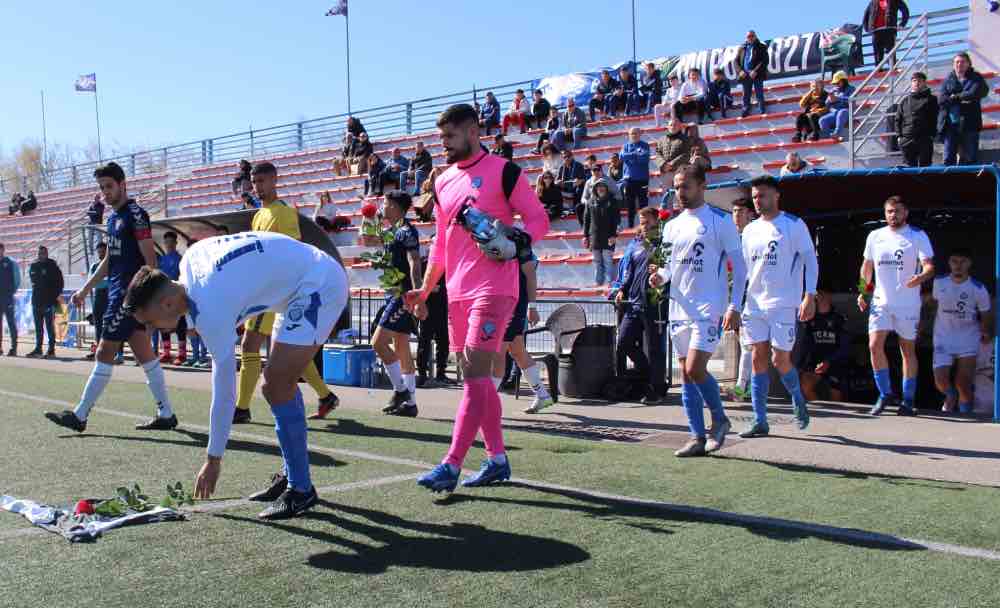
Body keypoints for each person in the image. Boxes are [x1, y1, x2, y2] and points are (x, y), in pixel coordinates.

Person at [125, 232, 348, 519]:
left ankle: (301, 490)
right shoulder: (191, 260)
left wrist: (213, 459)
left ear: (167, 304)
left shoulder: (209, 309)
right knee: (277, 383)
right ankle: (294, 475)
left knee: (275, 384)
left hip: (317, 284)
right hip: (300, 280)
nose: (152, 330)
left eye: (150, 322)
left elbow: (225, 390)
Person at [404, 103, 549, 492]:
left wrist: (520, 240)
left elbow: (538, 218)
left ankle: (451, 465)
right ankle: (497, 459)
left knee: (472, 377)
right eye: (441, 138)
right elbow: (440, 246)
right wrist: (426, 288)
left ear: (472, 131)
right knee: (478, 379)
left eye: (450, 137)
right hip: (457, 293)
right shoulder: (443, 181)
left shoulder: (504, 171)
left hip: (495, 289)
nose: (444, 145)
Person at [44, 162, 177, 433]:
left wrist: (146, 299)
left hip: (129, 296)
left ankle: (80, 415)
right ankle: (167, 413)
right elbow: (108, 260)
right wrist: (85, 289)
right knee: (145, 355)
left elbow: (150, 259)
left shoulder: (136, 214)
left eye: (109, 186)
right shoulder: (114, 218)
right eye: (101, 187)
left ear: (122, 184)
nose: (105, 192)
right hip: (118, 292)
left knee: (105, 351)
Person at [232, 161, 341, 424]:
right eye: (254, 182)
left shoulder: (284, 213)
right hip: (263, 290)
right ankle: (326, 396)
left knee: (251, 345)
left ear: (274, 181)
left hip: (275, 292)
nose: (257, 187)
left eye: (262, 182)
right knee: (286, 351)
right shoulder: (259, 214)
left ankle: (242, 408)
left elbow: (294, 251)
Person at [650, 165, 747, 457]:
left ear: (702, 186)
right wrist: (659, 277)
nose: (680, 192)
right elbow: (666, 266)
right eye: (677, 187)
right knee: (687, 375)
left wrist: (734, 305)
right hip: (678, 307)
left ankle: (719, 418)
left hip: (708, 306)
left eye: (685, 186)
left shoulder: (720, 221)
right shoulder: (671, 225)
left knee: (695, 368)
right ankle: (695, 436)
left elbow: (740, 268)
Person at [738, 175, 819, 437]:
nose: (758, 201)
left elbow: (811, 261)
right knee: (757, 357)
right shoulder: (749, 230)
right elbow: (744, 270)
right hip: (754, 304)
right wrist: (735, 303)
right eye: (754, 197)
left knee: (779, 359)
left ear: (776, 196)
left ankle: (797, 398)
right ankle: (760, 420)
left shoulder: (794, 225)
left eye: (762, 195)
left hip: (784, 303)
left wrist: (810, 295)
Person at [858, 195, 935, 416]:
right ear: (885, 213)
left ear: (906, 213)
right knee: (874, 345)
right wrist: (864, 291)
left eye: (898, 211)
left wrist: (920, 277)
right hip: (881, 302)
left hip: (907, 304)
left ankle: (908, 400)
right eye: (890, 211)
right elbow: (866, 266)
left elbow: (929, 266)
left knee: (907, 350)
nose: (893, 215)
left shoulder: (917, 236)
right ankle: (885, 394)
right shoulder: (875, 236)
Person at [362, 191, 423, 417]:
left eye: (386, 203)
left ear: (396, 207)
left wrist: (417, 295)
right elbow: (368, 240)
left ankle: (401, 391)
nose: (383, 206)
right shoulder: (392, 231)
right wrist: (368, 217)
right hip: (394, 293)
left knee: (377, 342)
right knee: (401, 347)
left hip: (402, 294)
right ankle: (410, 403)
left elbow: (414, 261)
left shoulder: (407, 232)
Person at [927, 249, 992, 414]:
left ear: (969, 264)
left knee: (963, 383)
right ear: (949, 263)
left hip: (968, 338)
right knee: (940, 381)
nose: (958, 266)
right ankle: (950, 396)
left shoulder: (978, 288)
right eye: (954, 261)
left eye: (962, 262)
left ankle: (966, 416)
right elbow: (933, 304)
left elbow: (986, 312)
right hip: (943, 337)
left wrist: (985, 330)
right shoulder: (939, 282)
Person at [492, 243, 555, 414]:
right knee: (518, 351)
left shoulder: (517, 244)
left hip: (512, 306)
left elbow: (531, 275)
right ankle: (542, 395)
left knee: (499, 351)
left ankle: (486, 401)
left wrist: (531, 307)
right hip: (506, 305)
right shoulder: (501, 243)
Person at [617, 207, 669, 404]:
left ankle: (656, 389)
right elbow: (629, 272)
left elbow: (669, 270)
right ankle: (652, 377)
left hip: (654, 304)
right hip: (633, 303)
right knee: (624, 342)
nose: (644, 226)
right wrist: (622, 289)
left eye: (647, 222)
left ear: (656, 221)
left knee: (655, 348)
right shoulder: (637, 244)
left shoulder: (664, 244)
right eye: (642, 222)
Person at [795, 287, 853, 402]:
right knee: (805, 387)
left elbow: (845, 347)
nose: (820, 297)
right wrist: (801, 365)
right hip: (815, 363)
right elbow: (806, 345)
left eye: (823, 295)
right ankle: (822, 412)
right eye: (818, 295)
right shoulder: (810, 319)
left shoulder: (839, 319)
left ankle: (837, 417)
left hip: (835, 363)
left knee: (835, 395)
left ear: (829, 297)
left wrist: (829, 361)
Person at [938, 52, 990, 166]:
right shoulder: (948, 80)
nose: (959, 64)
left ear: (968, 64)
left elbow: (974, 92)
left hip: (970, 123)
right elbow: (941, 100)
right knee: (948, 159)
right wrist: (963, 97)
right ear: (953, 65)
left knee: (970, 158)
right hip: (950, 125)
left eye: (962, 62)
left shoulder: (976, 77)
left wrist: (954, 97)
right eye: (957, 62)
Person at [729, 197, 755, 401]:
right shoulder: (732, 237)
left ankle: (743, 386)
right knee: (745, 342)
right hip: (737, 296)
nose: (736, 215)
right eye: (734, 211)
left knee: (748, 344)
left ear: (751, 214)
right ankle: (744, 385)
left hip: (755, 295)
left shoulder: (754, 235)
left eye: (740, 211)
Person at [416, 267, 451, 388]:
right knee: (424, 341)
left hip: (443, 308)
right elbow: (418, 281)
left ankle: (441, 373)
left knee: (443, 342)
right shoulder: (426, 263)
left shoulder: (448, 265)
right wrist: (430, 288)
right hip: (428, 308)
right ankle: (422, 374)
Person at [895, 72, 939, 167]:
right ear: (911, 83)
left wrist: (932, 135)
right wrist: (899, 137)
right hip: (907, 139)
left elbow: (935, 118)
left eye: (920, 81)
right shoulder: (904, 101)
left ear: (924, 83)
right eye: (914, 81)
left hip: (925, 138)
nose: (917, 83)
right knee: (909, 169)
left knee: (925, 167)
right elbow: (898, 119)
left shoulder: (932, 99)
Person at [26, 246, 63, 359]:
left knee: (49, 327)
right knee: (38, 328)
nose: (41, 255)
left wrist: (53, 299)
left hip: (49, 302)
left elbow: (60, 283)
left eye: (43, 253)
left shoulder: (52, 266)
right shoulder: (34, 266)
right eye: (39, 253)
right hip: (36, 301)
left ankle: (51, 349)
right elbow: (33, 282)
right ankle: (38, 349)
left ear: (47, 254)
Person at [155, 232, 186, 365]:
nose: (169, 245)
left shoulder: (181, 259)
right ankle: (166, 353)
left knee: (180, 325)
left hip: (177, 295)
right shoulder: (162, 259)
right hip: (163, 296)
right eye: (166, 242)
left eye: (171, 242)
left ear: (176, 243)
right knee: (163, 323)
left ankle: (182, 354)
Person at [583, 179, 619, 286]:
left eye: (603, 186)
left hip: (609, 236)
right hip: (594, 236)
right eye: (598, 186)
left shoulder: (612, 201)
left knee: (608, 261)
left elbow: (616, 219)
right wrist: (585, 236)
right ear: (595, 189)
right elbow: (586, 220)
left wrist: (614, 235)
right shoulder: (590, 202)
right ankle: (598, 283)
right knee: (597, 262)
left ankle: (609, 283)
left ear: (606, 188)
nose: (601, 188)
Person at [863, 0, 910, 67]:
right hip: (876, 31)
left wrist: (902, 24)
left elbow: (905, 11)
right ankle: (879, 71)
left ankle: (893, 68)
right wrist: (867, 28)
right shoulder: (873, 2)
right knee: (878, 54)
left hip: (889, 29)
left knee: (891, 51)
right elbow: (866, 14)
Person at [620, 127, 651, 228]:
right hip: (629, 180)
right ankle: (631, 226)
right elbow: (621, 157)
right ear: (629, 135)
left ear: (640, 134)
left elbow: (644, 159)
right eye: (632, 133)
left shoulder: (645, 145)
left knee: (643, 205)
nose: (634, 135)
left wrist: (629, 157)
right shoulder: (625, 146)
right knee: (630, 205)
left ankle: (646, 225)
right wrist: (636, 154)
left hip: (642, 179)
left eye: (636, 133)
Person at [85, 242, 109, 361]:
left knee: (110, 324)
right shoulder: (94, 266)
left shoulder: (111, 264)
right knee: (97, 324)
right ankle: (99, 350)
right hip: (98, 295)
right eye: (99, 251)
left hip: (109, 294)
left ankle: (114, 352)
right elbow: (91, 281)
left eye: (103, 251)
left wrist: (101, 281)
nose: (101, 253)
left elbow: (108, 281)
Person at [736, 30, 770, 117]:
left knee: (759, 93)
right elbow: (735, 61)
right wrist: (740, 71)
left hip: (757, 74)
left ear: (755, 36)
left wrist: (755, 71)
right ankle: (745, 110)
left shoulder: (761, 46)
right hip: (745, 75)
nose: (750, 38)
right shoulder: (742, 48)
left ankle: (762, 110)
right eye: (748, 36)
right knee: (746, 94)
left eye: (752, 36)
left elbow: (765, 60)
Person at [819, 71, 855, 139]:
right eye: (835, 83)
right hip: (835, 112)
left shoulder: (851, 89)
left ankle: (837, 133)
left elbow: (851, 100)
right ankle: (832, 135)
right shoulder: (834, 90)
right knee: (822, 120)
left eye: (838, 83)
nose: (836, 85)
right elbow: (826, 103)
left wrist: (838, 98)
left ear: (844, 81)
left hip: (846, 111)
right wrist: (830, 100)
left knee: (842, 112)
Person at [655, 119, 691, 188]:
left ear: (679, 127)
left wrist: (672, 164)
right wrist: (663, 164)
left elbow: (687, 154)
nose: (673, 127)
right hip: (665, 171)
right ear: (668, 127)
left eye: (675, 125)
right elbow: (658, 153)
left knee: (680, 193)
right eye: (671, 125)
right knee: (667, 194)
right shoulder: (661, 139)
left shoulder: (685, 139)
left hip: (680, 170)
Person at [0, 243, 22, 357]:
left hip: (7, 298)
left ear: (3, 250)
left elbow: (17, 279)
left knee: (11, 323)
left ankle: (14, 348)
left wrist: (11, 292)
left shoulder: (11, 262)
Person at [556, 148, 587, 221]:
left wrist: (578, 181)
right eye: (564, 157)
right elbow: (556, 180)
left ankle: (576, 208)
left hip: (576, 186)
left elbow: (583, 179)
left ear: (572, 156)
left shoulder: (578, 165)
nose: (566, 158)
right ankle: (562, 209)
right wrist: (558, 182)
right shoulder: (562, 167)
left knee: (579, 188)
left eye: (568, 156)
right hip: (566, 187)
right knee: (555, 188)